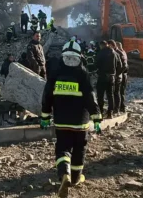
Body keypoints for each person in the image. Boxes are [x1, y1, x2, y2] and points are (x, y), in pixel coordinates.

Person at [41, 40, 102, 197]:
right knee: (79, 149)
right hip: (80, 122)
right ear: (80, 57)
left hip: (61, 121)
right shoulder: (83, 74)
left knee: (62, 148)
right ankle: (75, 178)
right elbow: (90, 97)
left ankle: (64, 174)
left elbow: (47, 96)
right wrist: (96, 117)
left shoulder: (55, 73)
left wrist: (45, 116)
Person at [95, 41, 121, 119]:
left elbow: (96, 64)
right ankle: (110, 113)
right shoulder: (115, 53)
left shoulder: (101, 53)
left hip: (102, 76)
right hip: (112, 77)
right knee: (110, 95)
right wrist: (115, 74)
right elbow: (120, 65)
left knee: (100, 95)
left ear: (101, 45)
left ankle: (101, 113)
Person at [107, 40, 124, 115]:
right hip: (116, 76)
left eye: (108, 46)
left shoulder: (118, 53)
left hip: (118, 77)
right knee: (115, 93)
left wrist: (116, 74)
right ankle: (116, 108)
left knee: (116, 93)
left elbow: (123, 66)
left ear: (111, 45)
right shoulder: (116, 52)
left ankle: (117, 109)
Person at [116, 42, 128, 112]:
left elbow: (124, 66)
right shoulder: (124, 52)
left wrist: (118, 73)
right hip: (124, 74)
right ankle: (122, 107)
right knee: (122, 92)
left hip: (122, 75)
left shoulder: (120, 53)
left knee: (119, 92)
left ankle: (121, 107)